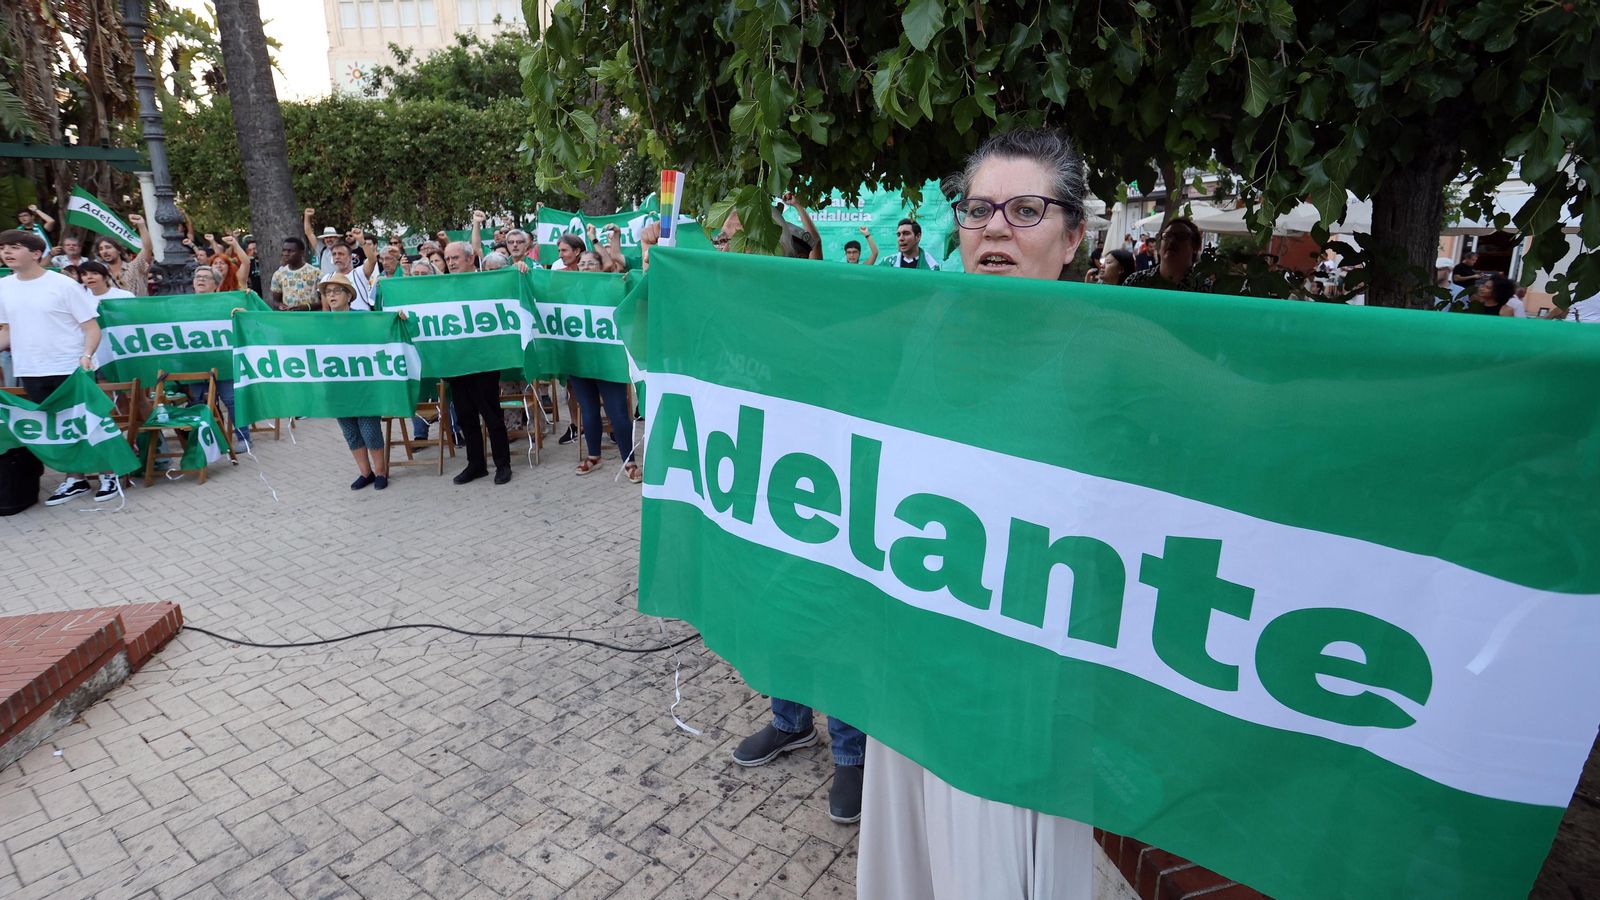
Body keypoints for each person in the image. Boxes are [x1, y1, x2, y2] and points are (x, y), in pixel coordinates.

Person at [857, 128, 1098, 900]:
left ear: (1073, 237)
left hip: (1014, 694)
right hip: (911, 669)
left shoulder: (1108, 356)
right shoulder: (923, 324)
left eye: (1026, 210)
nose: (995, 227)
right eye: (978, 208)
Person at [730, 203, 867, 825]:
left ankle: (853, 750)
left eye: (738, 243)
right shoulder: (737, 324)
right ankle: (790, 721)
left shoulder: (834, 325)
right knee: (779, 610)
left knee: (834, 618)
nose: (727, 254)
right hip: (766, 497)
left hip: (832, 501)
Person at [0, 229, 118, 504]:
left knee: (89, 423)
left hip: (71, 366)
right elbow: (7, 330)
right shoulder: (4, 286)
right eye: (3, 247)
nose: (6, 252)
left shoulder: (62, 285)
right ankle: (74, 478)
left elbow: (91, 327)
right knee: (56, 427)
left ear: (36, 254)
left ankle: (108, 474)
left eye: (14, 247)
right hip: (30, 368)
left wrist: (87, 354)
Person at [441, 240, 512, 485]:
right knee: (466, 416)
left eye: (455, 258)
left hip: (485, 361)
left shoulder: (487, 282)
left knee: (491, 415)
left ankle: (503, 464)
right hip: (456, 361)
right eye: (447, 259)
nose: (450, 263)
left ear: (470, 259)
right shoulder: (442, 286)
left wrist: (520, 268)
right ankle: (476, 464)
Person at [1122, 217, 1203, 291]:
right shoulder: (1135, 282)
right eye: (1167, 236)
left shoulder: (1205, 288)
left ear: (1196, 246)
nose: (1172, 241)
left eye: (1181, 236)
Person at [94, 213, 154, 296]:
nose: (104, 251)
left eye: (108, 247)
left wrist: (141, 225)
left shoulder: (135, 267)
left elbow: (147, 248)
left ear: (119, 250)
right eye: (101, 249)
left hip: (139, 307)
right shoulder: (101, 275)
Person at [319, 237, 375, 310]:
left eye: (341, 254)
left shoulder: (359, 272)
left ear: (350, 257)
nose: (337, 257)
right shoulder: (326, 278)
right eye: (334, 254)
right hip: (339, 320)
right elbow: (325, 308)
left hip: (362, 318)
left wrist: (362, 241)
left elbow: (372, 260)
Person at [270, 237, 321, 311]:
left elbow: (325, 300)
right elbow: (276, 301)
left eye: (290, 251)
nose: (286, 254)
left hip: (312, 318)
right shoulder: (278, 274)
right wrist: (280, 306)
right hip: (290, 319)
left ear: (302, 253)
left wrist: (307, 307)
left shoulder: (316, 273)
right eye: (284, 250)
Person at [304, 208, 341, 274]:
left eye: (331, 237)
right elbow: (309, 233)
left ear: (336, 238)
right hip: (325, 283)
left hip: (341, 282)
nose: (329, 239)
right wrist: (307, 216)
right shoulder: (322, 250)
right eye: (326, 237)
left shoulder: (343, 250)